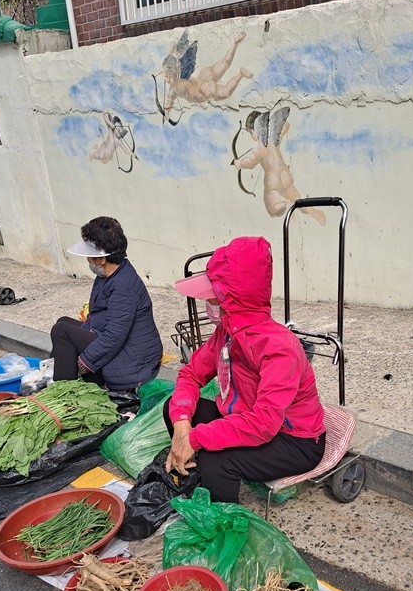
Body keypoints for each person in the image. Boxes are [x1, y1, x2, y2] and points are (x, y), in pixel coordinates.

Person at [164, 236, 326, 504]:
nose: (210, 304)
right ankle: (197, 474)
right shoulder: (226, 332)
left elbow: (264, 423)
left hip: (294, 440)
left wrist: (195, 438)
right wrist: (182, 428)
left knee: (218, 459)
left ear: (231, 300)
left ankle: (223, 527)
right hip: (244, 416)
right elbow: (191, 375)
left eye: (213, 298)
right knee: (174, 407)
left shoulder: (279, 347)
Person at [51, 216, 163, 391]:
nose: (87, 259)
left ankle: (64, 394)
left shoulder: (123, 285)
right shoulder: (107, 275)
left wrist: (83, 362)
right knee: (63, 323)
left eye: (89, 255)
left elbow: (114, 337)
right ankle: (65, 378)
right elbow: (96, 314)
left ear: (101, 259)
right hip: (111, 340)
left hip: (131, 360)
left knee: (61, 332)